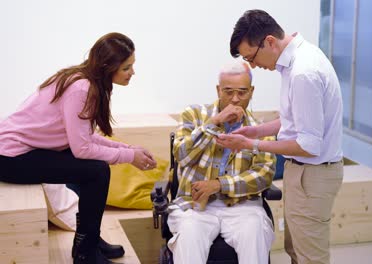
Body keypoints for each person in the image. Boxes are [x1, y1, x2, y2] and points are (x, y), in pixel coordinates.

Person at [0, 32, 156, 264]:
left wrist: (129, 148)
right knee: (96, 171)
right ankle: (85, 252)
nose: (132, 72)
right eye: (127, 67)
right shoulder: (81, 89)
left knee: (93, 168)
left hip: (22, 150)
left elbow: (86, 137)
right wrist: (129, 156)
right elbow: (82, 149)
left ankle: (88, 240)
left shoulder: (85, 81)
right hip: (11, 157)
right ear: (108, 66)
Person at [216, 10, 344, 264]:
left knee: (310, 257)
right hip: (303, 173)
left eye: (251, 57)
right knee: (296, 249)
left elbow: (308, 144)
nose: (252, 65)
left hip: (313, 172)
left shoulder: (302, 73)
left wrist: (250, 144)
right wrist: (257, 130)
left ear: (270, 42)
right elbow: (296, 120)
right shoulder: (297, 61)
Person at [168, 60, 276, 264]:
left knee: (254, 232)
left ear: (251, 91)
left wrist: (219, 184)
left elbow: (264, 175)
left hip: (243, 207)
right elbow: (182, 156)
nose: (235, 99)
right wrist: (213, 123)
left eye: (242, 92)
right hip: (195, 205)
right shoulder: (194, 114)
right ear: (218, 90)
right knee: (190, 233)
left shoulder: (260, 129)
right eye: (228, 92)